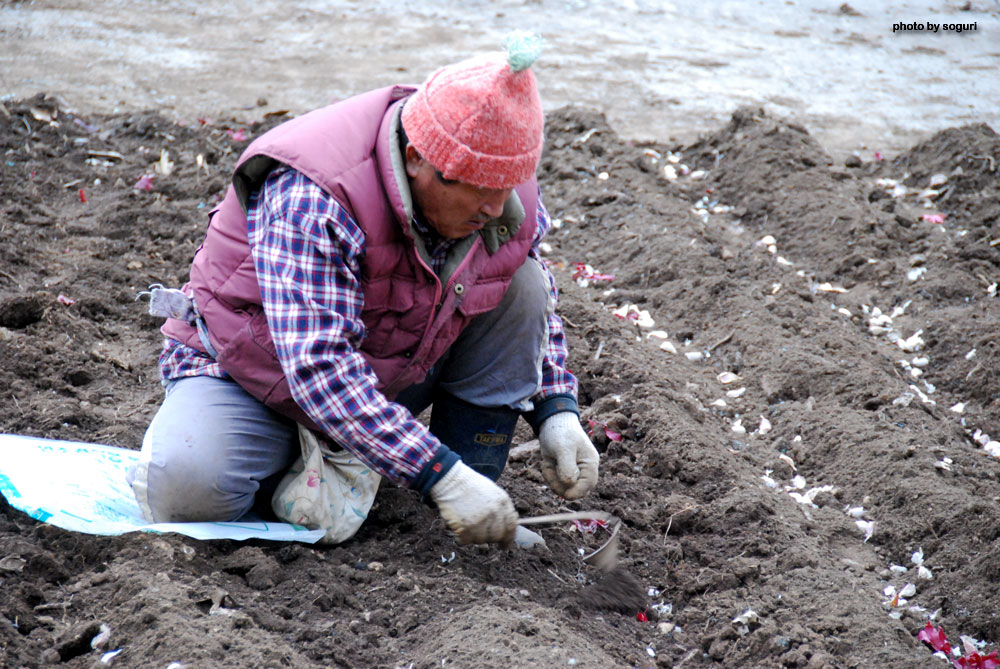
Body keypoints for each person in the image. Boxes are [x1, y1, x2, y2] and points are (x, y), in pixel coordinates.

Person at [128, 33, 599, 547]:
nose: (496, 207)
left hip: (387, 369)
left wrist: (556, 409)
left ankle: (465, 509)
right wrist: (439, 471)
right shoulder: (315, 194)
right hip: (257, 377)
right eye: (480, 191)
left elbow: (520, 284)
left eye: (506, 188)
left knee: (524, 286)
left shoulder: (497, 178)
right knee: (188, 492)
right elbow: (320, 368)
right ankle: (337, 462)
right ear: (418, 159)